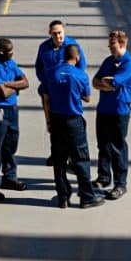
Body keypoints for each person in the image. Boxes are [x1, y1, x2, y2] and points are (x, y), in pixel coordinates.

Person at [48, 44, 103, 209]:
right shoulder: (80, 75)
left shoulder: (51, 73)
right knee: (81, 160)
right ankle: (87, 197)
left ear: (63, 56)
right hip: (74, 122)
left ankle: (63, 197)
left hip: (56, 121)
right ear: (77, 57)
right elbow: (87, 98)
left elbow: (46, 95)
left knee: (59, 161)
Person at [0, 38, 30, 202]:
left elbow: (26, 82)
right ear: (1, 51)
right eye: (10, 50)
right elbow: (2, 93)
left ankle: (9, 177)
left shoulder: (10, 63)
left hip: (12, 111)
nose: (12, 53)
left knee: (10, 145)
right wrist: (15, 87)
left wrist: (9, 85)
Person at [92, 30, 131, 201]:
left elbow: (114, 83)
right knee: (103, 144)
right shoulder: (108, 61)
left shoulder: (130, 64)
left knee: (118, 148)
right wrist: (107, 83)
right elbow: (95, 81)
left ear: (122, 44)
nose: (109, 47)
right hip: (103, 109)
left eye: (112, 44)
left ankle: (120, 183)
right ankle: (104, 177)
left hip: (119, 112)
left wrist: (107, 83)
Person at [34, 20, 86, 166]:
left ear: (64, 32)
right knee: (53, 123)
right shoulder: (44, 48)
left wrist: (73, 83)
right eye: (55, 33)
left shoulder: (72, 46)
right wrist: (47, 83)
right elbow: (39, 67)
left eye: (60, 33)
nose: (58, 36)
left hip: (67, 91)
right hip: (50, 91)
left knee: (70, 123)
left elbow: (81, 66)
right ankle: (55, 152)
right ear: (50, 34)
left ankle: (71, 156)